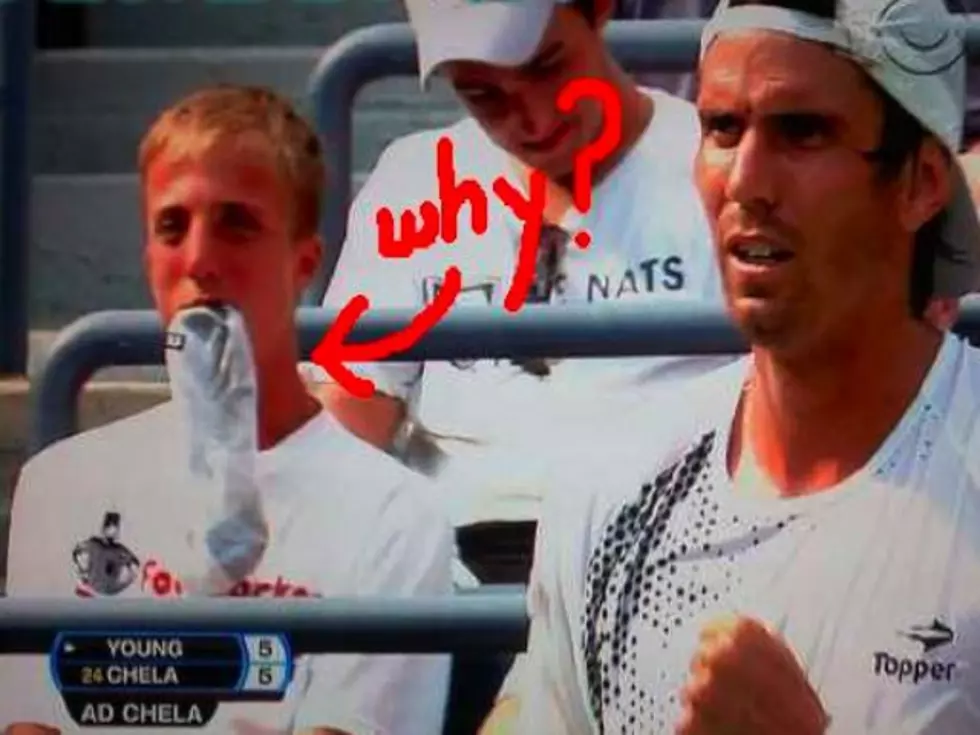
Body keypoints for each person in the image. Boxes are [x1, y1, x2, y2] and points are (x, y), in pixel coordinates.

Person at [513, 0, 980, 732]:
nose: (746, 181)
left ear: (922, 183)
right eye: (721, 128)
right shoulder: (608, 483)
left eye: (802, 132)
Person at [1, 85, 454, 735]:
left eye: (237, 224)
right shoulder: (60, 484)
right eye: (171, 226)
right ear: (149, 259)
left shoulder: (397, 513)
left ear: (304, 264)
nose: (200, 260)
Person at [316, 0, 733, 561]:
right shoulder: (413, 178)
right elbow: (352, 415)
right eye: (484, 94)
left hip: (669, 549)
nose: (534, 119)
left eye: (548, 67)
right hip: (454, 564)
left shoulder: (718, 172)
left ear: (600, 10)